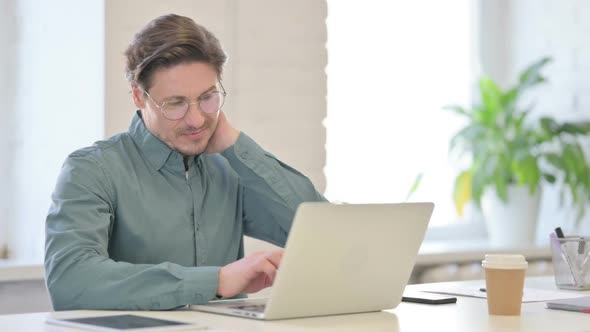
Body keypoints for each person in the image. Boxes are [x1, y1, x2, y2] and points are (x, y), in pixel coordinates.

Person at [44, 13, 326, 311]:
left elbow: (322, 234)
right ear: (139, 97)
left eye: (208, 98)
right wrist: (216, 281)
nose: (195, 120)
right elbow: (71, 280)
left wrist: (237, 146)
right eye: (175, 103)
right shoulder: (92, 170)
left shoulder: (229, 167)